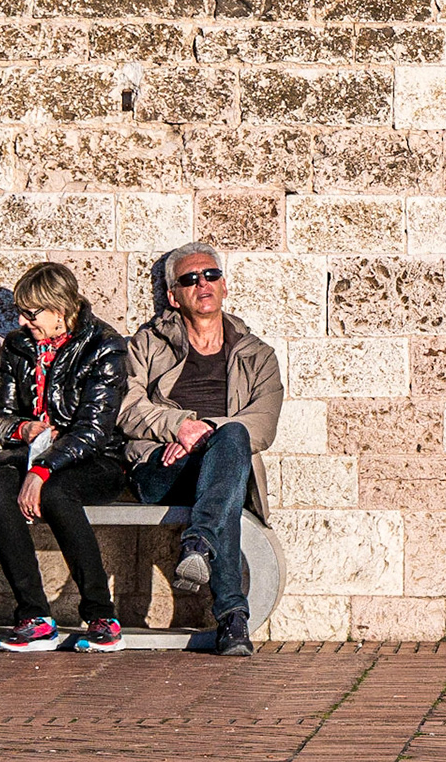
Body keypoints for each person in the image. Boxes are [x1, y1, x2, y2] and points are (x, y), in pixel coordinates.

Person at [120, 244, 285, 657]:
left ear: (224, 286)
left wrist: (205, 431)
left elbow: (262, 425)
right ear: (174, 296)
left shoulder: (257, 355)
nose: (203, 284)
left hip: (220, 465)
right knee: (223, 487)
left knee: (232, 442)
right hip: (161, 466)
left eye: (210, 275)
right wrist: (178, 427)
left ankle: (204, 556)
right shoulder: (147, 344)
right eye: (189, 279)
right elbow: (127, 407)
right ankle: (229, 610)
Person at [0, 261, 130, 653]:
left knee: (56, 492)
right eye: (21, 312)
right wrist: (23, 429)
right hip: (32, 454)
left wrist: (43, 470)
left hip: (96, 459)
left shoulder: (104, 346)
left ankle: (101, 614)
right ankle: (34, 616)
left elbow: (95, 430)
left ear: (60, 310)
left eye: (32, 313)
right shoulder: (18, 346)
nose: (22, 320)